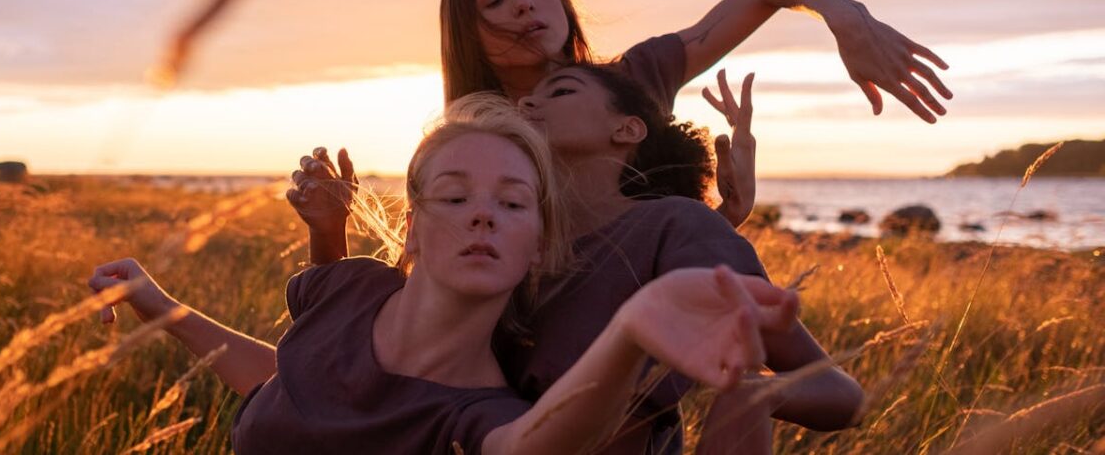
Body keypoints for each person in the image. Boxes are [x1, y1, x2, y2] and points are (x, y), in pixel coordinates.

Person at [89, 95, 800, 455]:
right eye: (455, 197)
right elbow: (292, 384)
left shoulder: (483, 413)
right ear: (412, 228)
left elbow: (532, 448)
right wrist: (160, 304)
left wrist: (631, 330)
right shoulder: (350, 286)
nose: (482, 216)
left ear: (539, 247)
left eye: (512, 202)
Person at [291, 66, 864, 454]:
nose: (529, 101)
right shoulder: (517, 238)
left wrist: (746, 388)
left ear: (627, 129)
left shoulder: (678, 226)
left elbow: (843, 396)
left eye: (560, 91)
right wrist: (331, 233)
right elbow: (362, 344)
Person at [302, 0, 953, 251]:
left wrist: (845, 14)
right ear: (468, 33)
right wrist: (329, 235)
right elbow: (419, 287)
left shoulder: (630, 82)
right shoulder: (468, 141)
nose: (526, 5)